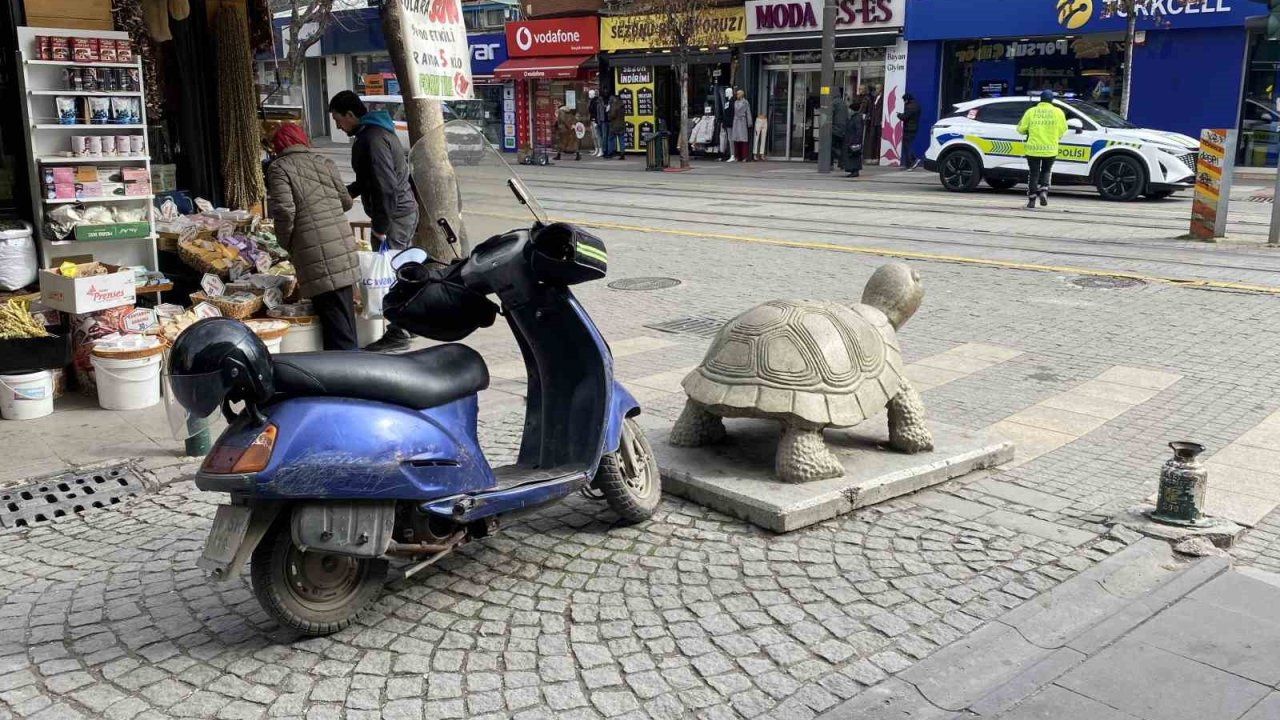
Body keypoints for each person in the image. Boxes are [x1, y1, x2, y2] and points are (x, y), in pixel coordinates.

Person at [328, 90, 418, 352]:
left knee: (389, 272)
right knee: (396, 269)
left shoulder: (372, 138)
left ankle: (399, 332)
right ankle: (406, 324)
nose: (337, 125)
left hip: (395, 215)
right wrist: (346, 193)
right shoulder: (374, 133)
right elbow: (369, 180)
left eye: (338, 119)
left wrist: (380, 227)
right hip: (397, 211)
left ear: (350, 115)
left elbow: (385, 187)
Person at [264, 124, 360, 351]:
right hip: (341, 243)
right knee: (344, 317)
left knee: (336, 325)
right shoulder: (324, 162)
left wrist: (285, 241)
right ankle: (350, 368)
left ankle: (347, 377)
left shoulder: (279, 168)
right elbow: (346, 201)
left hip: (313, 249)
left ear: (279, 145)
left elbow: (285, 211)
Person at [1017, 89, 1069, 209]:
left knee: (1034, 173)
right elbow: (1063, 129)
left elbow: (1020, 129)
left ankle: (1031, 199)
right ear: (1052, 100)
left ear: (1040, 100)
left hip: (1033, 148)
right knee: (1046, 171)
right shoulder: (1058, 112)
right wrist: (1056, 136)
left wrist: (1027, 131)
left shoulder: (1031, 111)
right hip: (1050, 148)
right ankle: (1044, 190)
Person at [897, 93, 921, 170]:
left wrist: (899, 115)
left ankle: (912, 162)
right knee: (907, 146)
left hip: (908, 128)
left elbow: (905, 117)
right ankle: (909, 164)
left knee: (906, 146)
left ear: (907, 100)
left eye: (904, 100)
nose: (904, 102)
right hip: (914, 127)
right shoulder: (917, 105)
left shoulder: (909, 107)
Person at [831, 89, 850, 170]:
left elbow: (829, 115)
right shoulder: (843, 103)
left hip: (835, 128)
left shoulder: (833, 103)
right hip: (844, 128)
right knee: (841, 146)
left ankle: (830, 163)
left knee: (831, 146)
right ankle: (842, 163)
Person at [844, 106, 865, 178]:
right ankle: (853, 171)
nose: (848, 111)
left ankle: (855, 171)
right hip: (852, 140)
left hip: (854, 141)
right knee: (853, 156)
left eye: (849, 110)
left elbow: (858, 130)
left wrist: (856, 141)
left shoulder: (856, 118)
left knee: (854, 156)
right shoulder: (854, 117)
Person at [732, 90, 751, 162]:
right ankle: (737, 156)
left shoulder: (745, 102)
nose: (736, 95)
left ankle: (744, 156)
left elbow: (748, 112)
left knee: (743, 138)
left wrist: (749, 122)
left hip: (742, 121)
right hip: (736, 121)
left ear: (741, 95)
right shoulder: (735, 102)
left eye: (738, 94)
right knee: (736, 139)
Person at [607, 92, 627, 160]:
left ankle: (610, 153)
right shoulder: (622, 105)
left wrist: (608, 115)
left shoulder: (614, 105)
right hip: (622, 124)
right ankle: (622, 153)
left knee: (610, 139)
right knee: (621, 139)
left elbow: (612, 115)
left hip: (614, 125)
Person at [588, 89, 607, 157]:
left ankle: (600, 149)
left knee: (597, 136)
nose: (589, 95)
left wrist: (597, 120)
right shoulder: (591, 101)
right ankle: (596, 149)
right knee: (593, 136)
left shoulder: (597, 102)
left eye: (590, 94)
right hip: (592, 120)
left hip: (596, 120)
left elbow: (598, 112)